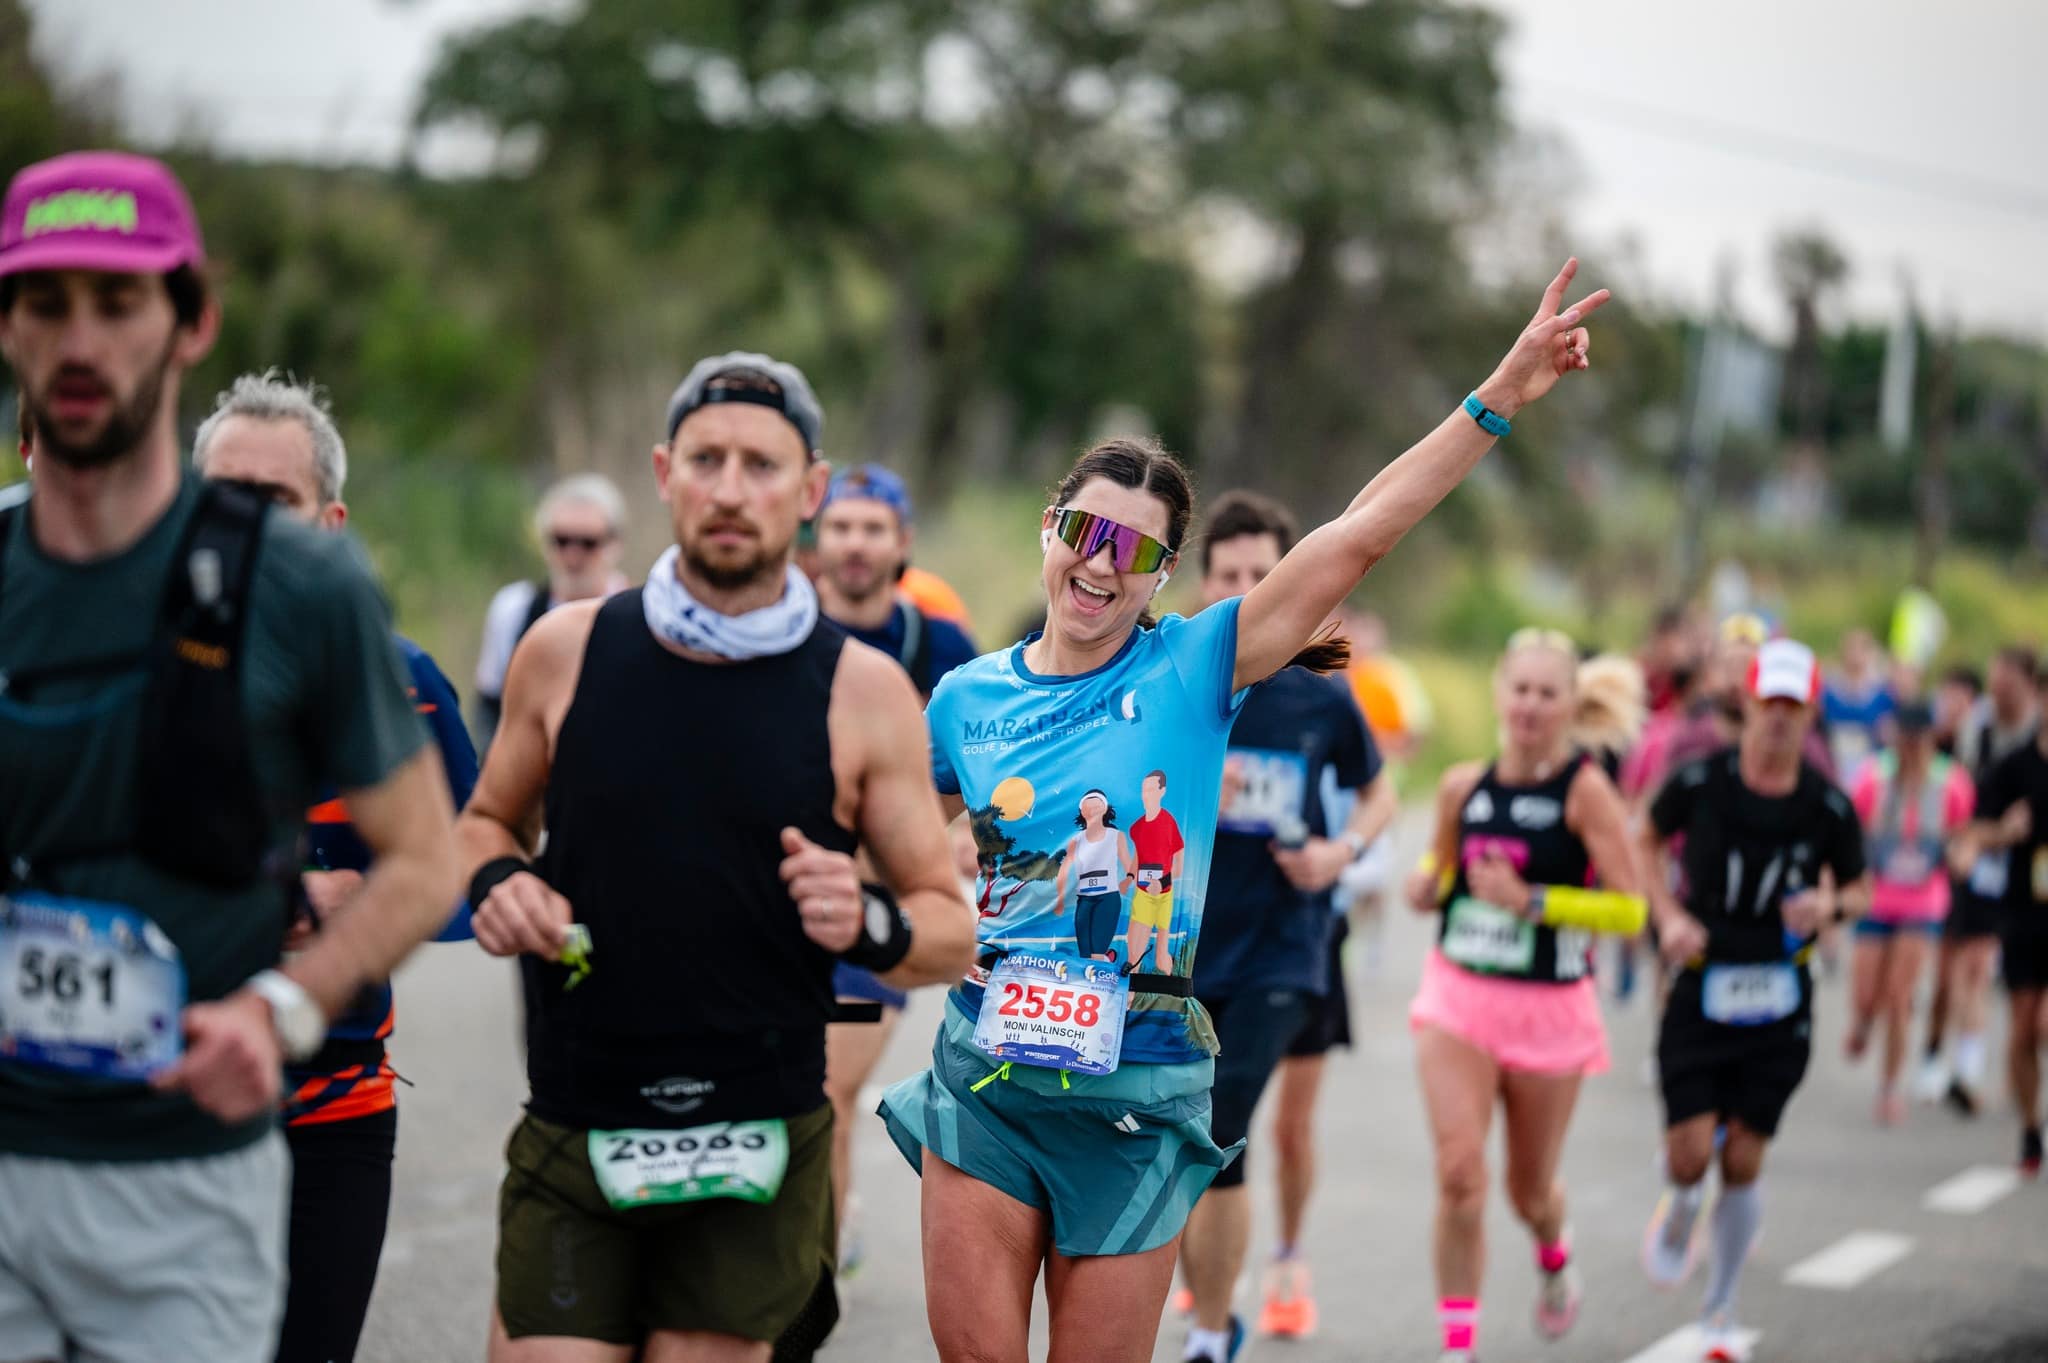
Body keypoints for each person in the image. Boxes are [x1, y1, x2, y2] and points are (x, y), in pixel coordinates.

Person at [876, 260, 1610, 1363]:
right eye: (1085, 531)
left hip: (1135, 1082)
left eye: (1133, 552)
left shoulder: (1192, 666)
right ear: (1049, 528)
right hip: (987, 1074)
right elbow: (912, 834)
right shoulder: (964, 698)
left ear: (1162, 576)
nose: (1098, 564)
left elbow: (1358, 534)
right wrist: (940, 913)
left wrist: (1493, 399)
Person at [0, 149, 460, 1363]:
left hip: (189, 1185)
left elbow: (424, 858)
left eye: (119, 301)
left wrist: (282, 1004)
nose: (79, 339)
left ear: (189, 320)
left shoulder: (303, 586)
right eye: (45, 303)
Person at [458, 351, 976, 1362]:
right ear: (663, 474)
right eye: (706, 460)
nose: (730, 490)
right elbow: (483, 822)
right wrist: (499, 878)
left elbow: (950, 930)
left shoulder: (862, 691)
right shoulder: (564, 650)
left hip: (758, 1140)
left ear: (811, 491)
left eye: (762, 464)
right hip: (577, 1123)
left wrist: (867, 921)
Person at [191, 369, 482, 1363]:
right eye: (221, 495)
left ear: (329, 518)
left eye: (272, 499)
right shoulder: (122, 671)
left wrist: (363, 898)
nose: (243, 521)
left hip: (335, 1110)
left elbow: (469, 860)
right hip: (159, 1110)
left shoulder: (405, 683)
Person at [1168, 492, 1395, 1360]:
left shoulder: (1317, 694)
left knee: (1220, 1126)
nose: (1249, 590)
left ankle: (1209, 1330)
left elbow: (1377, 791)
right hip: (1180, 946)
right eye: (1230, 577)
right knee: (1171, 1133)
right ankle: (1204, 1293)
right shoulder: (1181, 681)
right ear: (1205, 585)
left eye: (1264, 574)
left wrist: (1342, 852)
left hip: (1283, 947)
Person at [1403, 629, 1646, 1363]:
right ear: (1499, 694)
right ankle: (1458, 1344)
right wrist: (1426, 883)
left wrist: (1533, 899)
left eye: (1548, 693)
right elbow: (1442, 867)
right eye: (1521, 689)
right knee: (1459, 1173)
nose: (1531, 705)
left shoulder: (1585, 791)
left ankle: (1552, 1248)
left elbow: (1631, 909)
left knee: (1527, 1190)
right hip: (1459, 1001)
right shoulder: (1460, 786)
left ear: (1571, 704)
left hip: (1548, 1011)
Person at [1640, 638, 1871, 1363]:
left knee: (1742, 1158)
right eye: (1767, 702)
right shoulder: (1702, 780)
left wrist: (1830, 905)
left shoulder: (1827, 804)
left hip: (1779, 994)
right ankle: (1681, 1203)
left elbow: (1859, 888)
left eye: (1792, 706)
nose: (1777, 718)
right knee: (1687, 1155)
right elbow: (1643, 836)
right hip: (1701, 980)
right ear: (1746, 702)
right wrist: (1667, 916)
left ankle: (1720, 1309)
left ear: (1810, 714)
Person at [809, 461, 979, 1267]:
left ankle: (813, 1268)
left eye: (872, 527)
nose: (854, 543)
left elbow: (998, 752)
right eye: (840, 524)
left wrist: (970, 826)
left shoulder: (939, 646)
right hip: (776, 898)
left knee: (830, 1091)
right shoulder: (780, 626)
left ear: (902, 541)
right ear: (816, 534)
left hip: (881, 910)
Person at [1922, 646, 2041, 1111]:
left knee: (1981, 964)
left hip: (2022, 873)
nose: (1998, 683)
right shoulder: (1979, 729)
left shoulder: (2036, 733)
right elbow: (1963, 795)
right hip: (1976, 856)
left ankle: (1972, 1067)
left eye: (2008, 675)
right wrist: (1968, 841)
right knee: (1953, 967)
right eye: (1995, 673)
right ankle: (1937, 1055)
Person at [1844, 700, 1973, 1125]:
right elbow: (1849, 830)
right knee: (1868, 994)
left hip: (1923, 899)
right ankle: (1862, 1021)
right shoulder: (1872, 777)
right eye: (1905, 740)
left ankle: (1889, 1086)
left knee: (1900, 997)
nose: (1911, 749)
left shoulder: (1949, 782)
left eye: (1919, 741)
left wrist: (1961, 856)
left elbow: (1962, 833)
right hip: (1876, 895)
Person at [473, 472, 629, 745]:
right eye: (561, 540)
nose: (572, 555)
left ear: (614, 545)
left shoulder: (636, 614)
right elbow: (489, 706)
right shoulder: (513, 609)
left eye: (587, 543)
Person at [1966, 659, 2048, 1176]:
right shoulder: (2016, 765)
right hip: (2023, 912)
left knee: (2043, 1025)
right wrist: (2006, 832)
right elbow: (1975, 828)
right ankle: (2030, 1129)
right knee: (2021, 1032)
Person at [1823, 627, 1897, 782]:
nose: (1855, 655)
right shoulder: (1828, 691)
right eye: (1851, 649)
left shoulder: (1883, 694)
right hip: (1835, 764)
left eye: (1861, 649)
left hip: (1870, 768)